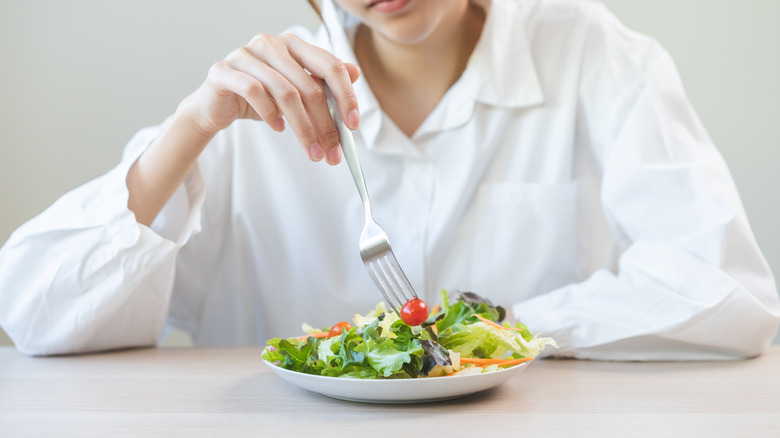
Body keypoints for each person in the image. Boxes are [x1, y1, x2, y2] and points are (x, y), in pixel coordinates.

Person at [0, 0, 777, 360]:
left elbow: (730, 291)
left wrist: (495, 334)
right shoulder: (255, 99)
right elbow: (33, 315)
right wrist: (191, 125)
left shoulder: (594, 54)